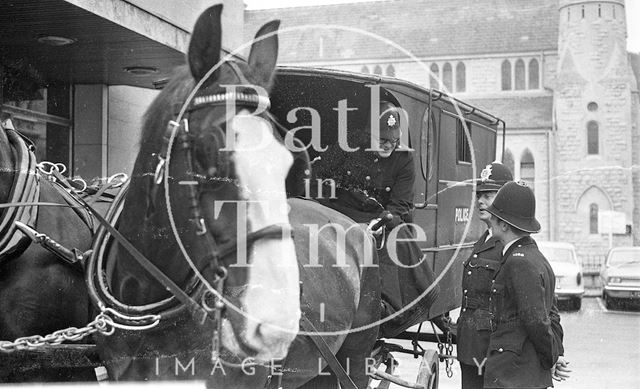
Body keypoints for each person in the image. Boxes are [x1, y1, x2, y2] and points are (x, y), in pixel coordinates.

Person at [313, 99, 438, 337]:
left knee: (396, 239)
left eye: (393, 140)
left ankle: (385, 307)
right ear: (369, 134)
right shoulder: (348, 145)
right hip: (340, 212)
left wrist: (377, 224)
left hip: (379, 219)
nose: (389, 145)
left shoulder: (403, 159)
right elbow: (319, 173)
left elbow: (400, 203)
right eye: (383, 140)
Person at [482, 181, 571, 388]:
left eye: (494, 216)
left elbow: (537, 320)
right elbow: (551, 315)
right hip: (523, 374)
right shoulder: (535, 257)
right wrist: (555, 354)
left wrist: (551, 359)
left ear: (504, 224)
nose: (491, 220)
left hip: (514, 376)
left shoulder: (518, 262)